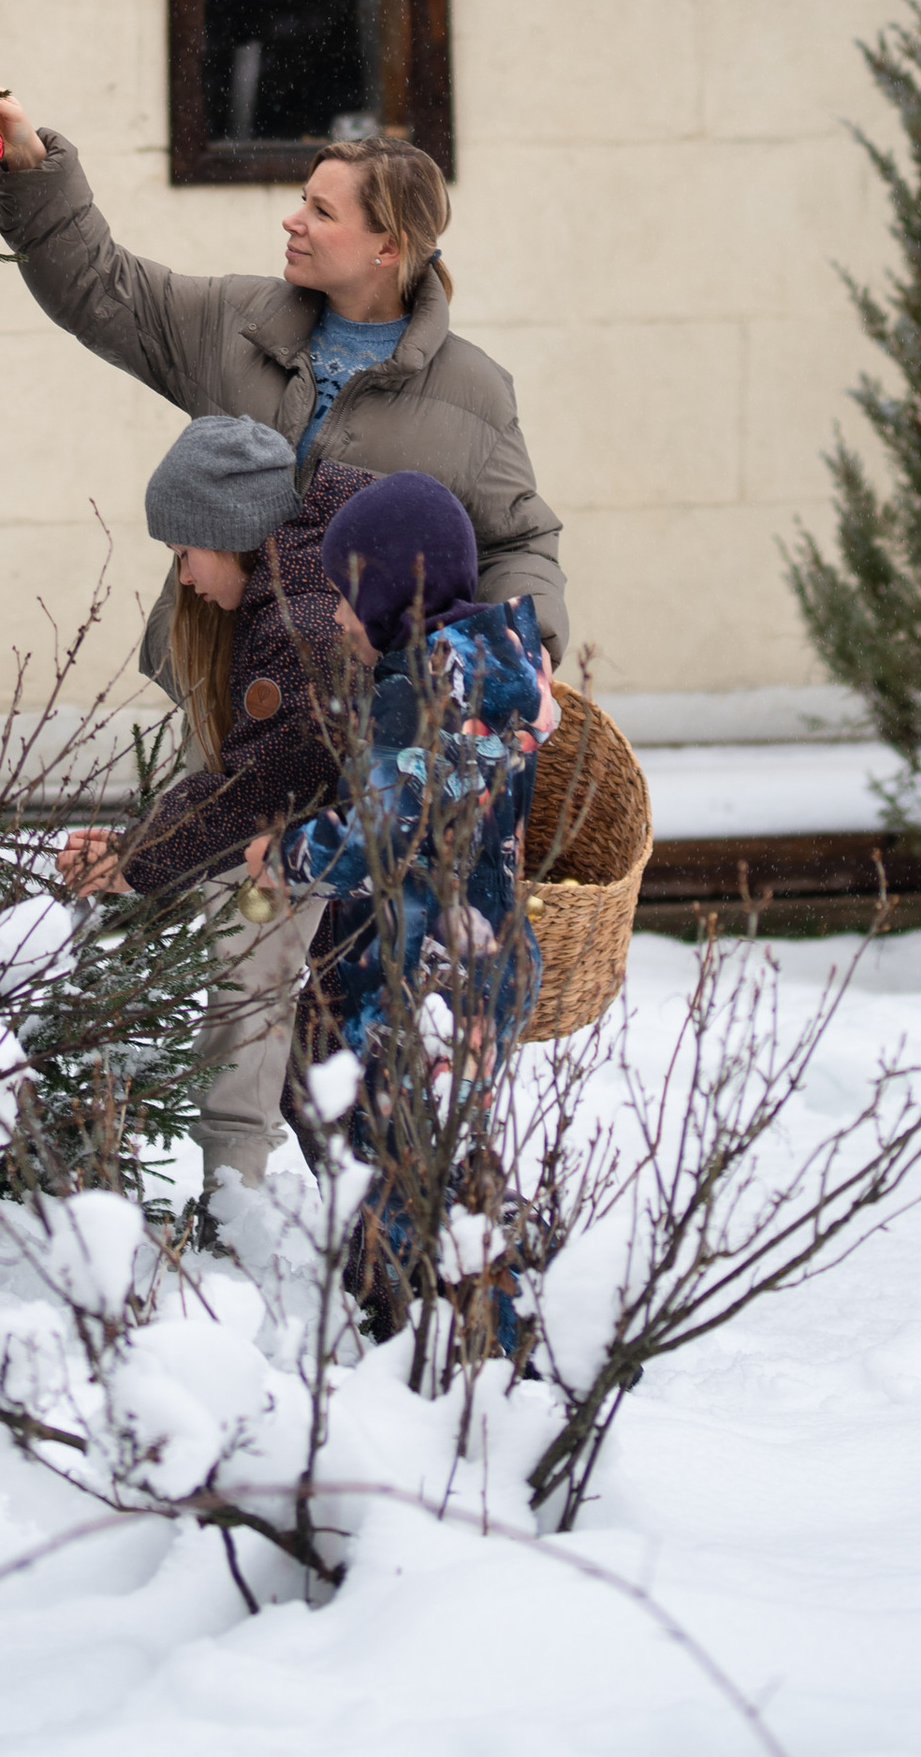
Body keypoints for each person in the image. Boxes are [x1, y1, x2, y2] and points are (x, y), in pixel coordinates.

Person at [0, 94, 568, 680]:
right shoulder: (235, 321)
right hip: (220, 690)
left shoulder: (474, 390)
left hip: (366, 715)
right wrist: (30, 164)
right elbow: (100, 288)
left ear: (387, 246)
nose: (292, 219)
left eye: (322, 212)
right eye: (304, 200)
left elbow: (517, 544)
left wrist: (522, 647)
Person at [52, 412, 367, 1202]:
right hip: (343, 840)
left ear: (229, 534)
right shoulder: (295, 584)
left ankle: (246, 1214)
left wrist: (134, 857)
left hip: (365, 852)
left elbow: (259, 786)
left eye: (184, 554)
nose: (185, 579)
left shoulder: (299, 623)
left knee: (268, 998)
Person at [281, 468, 555, 1336]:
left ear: (392, 589)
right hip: (486, 961)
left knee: (401, 1176)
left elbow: (383, 832)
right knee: (442, 1156)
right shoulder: (504, 667)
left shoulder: (415, 692)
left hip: (417, 977)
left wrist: (284, 855)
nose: (335, 618)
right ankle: (464, 1321)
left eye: (345, 595)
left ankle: (463, 1346)